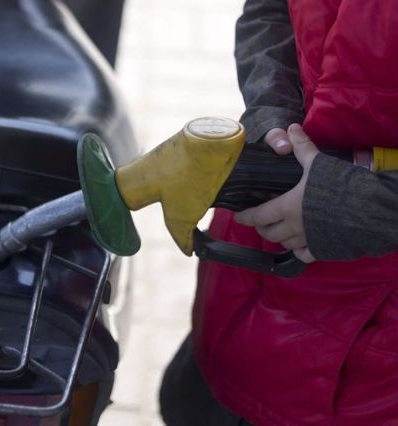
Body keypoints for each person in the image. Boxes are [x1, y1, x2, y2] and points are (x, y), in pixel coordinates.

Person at [160, 0, 398, 424]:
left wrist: (369, 207)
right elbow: (270, 9)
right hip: (245, 288)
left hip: (370, 377)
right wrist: (270, 112)